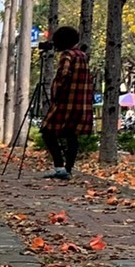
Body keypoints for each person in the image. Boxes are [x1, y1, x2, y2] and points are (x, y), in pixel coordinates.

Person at [41, 25, 94, 181]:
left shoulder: (67, 55)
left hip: (66, 103)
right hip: (81, 103)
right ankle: (68, 169)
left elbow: (63, 75)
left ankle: (59, 167)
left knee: (47, 131)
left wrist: (55, 92)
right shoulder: (83, 55)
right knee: (72, 136)